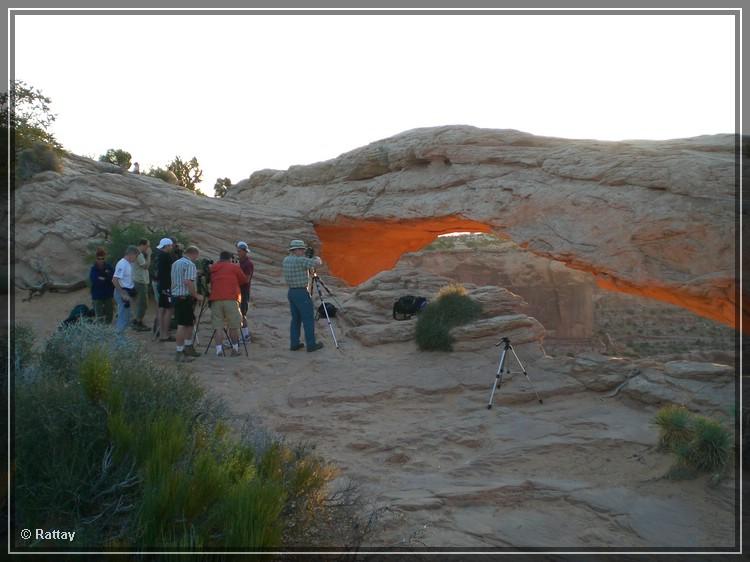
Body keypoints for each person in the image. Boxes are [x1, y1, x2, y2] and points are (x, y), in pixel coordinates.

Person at [282, 239, 324, 353]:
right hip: (301, 293)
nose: (302, 251)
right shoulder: (300, 260)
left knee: (295, 319)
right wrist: (315, 257)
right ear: (294, 250)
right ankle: (311, 344)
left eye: (303, 249)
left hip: (291, 292)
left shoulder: (286, 260)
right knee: (308, 319)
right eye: (301, 249)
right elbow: (317, 263)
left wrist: (308, 258)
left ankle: (294, 343)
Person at [208, 251, 248, 357]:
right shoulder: (234, 267)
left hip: (216, 299)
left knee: (218, 326)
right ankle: (235, 349)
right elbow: (244, 280)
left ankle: (219, 350)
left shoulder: (213, 268)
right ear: (230, 258)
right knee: (234, 326)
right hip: (231, 298)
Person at [170, 245, 204, 362]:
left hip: (176, 296)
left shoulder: (176, 263)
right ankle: (180, 352)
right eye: (196, 256)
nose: (196, 259)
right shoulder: (190, 264)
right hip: (184, 297)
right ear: (193, 254)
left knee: (189, 323)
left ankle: (188, 347)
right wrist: (196, 295)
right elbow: (188, 281)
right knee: (182, 325)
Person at [112, 245, 140, 334]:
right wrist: (123, 293)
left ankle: (122, 340)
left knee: (126, 317)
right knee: (123, 317)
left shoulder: (128, 264)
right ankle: (119, 342)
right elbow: (114, 280)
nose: (136, 258)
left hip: (127, 292)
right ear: (131, 254)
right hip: (122, 292)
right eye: (136, 256)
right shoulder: (122, 264)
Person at [154, 238, 175, 342]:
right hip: (166, 286)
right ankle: (165, 335)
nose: (172, 247)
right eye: (171, 246)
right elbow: (171, 270)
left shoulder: (159, 255)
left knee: (162, 309)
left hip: (161, 285)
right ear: (167, 246)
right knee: (169, 309)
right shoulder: (166, 256)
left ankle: (162, 333)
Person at [89, 248, 115, 324]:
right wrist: (106, 277)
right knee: (98, 315)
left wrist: (103, 278)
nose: (100, 260)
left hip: (108, 294)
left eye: (102, 258)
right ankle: (100, 330)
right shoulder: (93, 268)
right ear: (96, 258)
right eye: (98, 259)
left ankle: (107, 328)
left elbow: (113, 278)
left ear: (105, 258)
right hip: (97, 295)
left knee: (110, 313)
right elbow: (95, 281)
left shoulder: (109, 266)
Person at [131, 238, 151, 331]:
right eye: (147, 246)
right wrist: (149, 255)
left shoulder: (136, 253)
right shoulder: (138, 254)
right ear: (142, 245)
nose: (148, 248)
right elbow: (146, 266)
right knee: (143, 303)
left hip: (138, 280)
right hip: (140, 281)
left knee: (140, 302)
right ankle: (138, 322)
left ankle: (136, 320)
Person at [236, 241, 254, 341]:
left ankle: (246, 336)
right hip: (238, 291)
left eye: (239, 251)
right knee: (239, 313)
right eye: (237, 251)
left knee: (242, 313)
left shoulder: (248, 264)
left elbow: (246, 279)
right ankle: (244, 335)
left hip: (244, 290)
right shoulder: (241, 263)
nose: (238, 253)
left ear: (244, 252)